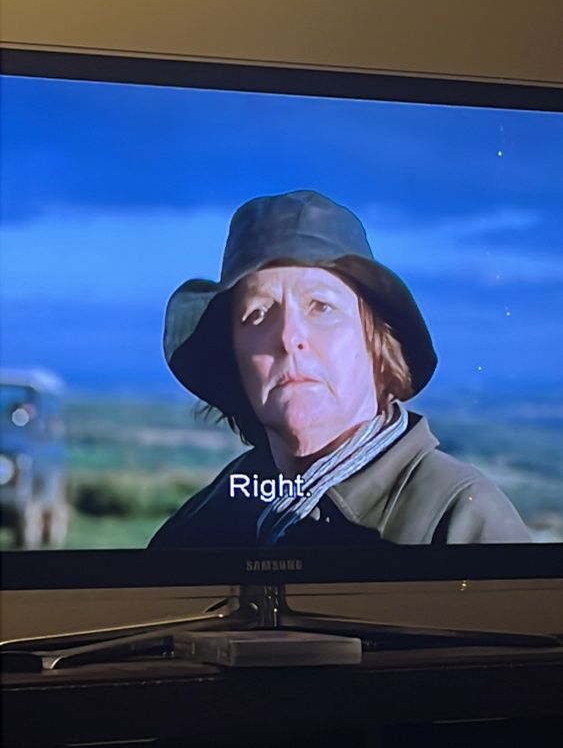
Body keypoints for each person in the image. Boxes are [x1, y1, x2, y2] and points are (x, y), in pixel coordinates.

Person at [149, 190, 531, 547]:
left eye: (321, 306)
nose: (288, 337)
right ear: (234, 357)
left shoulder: (463, 520)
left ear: (377, 344)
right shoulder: (197, 533)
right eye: (259, 313)